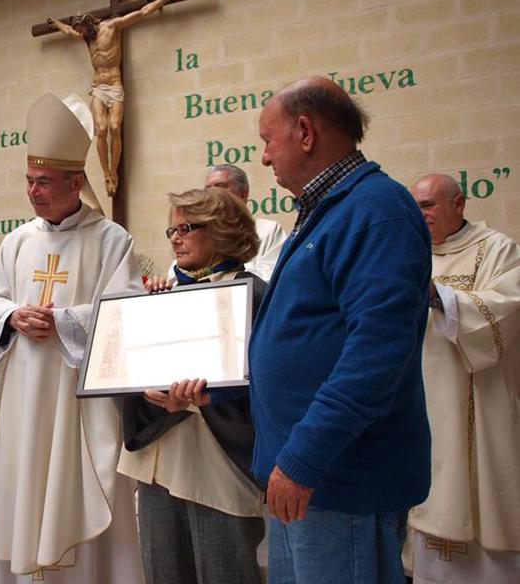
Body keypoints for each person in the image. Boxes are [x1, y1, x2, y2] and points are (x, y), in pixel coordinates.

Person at [248, 76, 432, 583]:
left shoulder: (376, 210)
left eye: (268, 140)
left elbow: (375, 354)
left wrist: (303, 457)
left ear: (305, 132)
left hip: (337, 477)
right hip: (306, 476)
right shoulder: (329, 210)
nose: (264, 157)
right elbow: (301, 335)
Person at [0, 92, 144, 583]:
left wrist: (64, 323)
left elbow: (126, 312)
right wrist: (11, 317)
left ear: (75, 181)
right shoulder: (17, 241)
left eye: (43, 182)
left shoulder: (111, 240)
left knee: (72, 485)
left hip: (77, 404)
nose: (33, 192)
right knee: (25, 482)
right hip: (24, 400)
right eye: (29, 181)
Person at [119, 187, 266, 584]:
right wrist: (146, 388)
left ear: (222, 229)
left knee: (225, 574)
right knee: (164, 573)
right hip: (158, 462)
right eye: (171, 231)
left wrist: (206, 396)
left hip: (217, 467)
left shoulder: (252, 295)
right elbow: (128, 369)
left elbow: (267, 382)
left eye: (186, 228)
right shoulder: (162, 293)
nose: (175, 239)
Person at [405, 173, 520, 583]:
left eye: (429, 205)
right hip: (421, 402)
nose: (421, 215)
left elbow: (508, 307)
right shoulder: (411, 254)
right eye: (415, 207)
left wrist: (441, 297)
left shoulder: (497, 249)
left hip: (478, 401)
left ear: (459, 203)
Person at [46, 0, 179, 197]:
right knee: (101, 129)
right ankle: (106, 174)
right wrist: (57, 24)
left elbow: (142, 13)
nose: (81, 35)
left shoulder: (112, 26)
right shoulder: (86, 37)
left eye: (83, 30)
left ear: (89, 23)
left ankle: (114, 171)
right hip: (98, 88)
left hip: (115, 86)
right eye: (80, 32)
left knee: (115, 127)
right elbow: (69, 31)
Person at [167, 164, 286, 281]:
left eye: (219, 187)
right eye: (208, 189)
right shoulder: (186, 261)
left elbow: (270, 280)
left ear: (242, 195)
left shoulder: (268, 229)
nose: (212, 194)